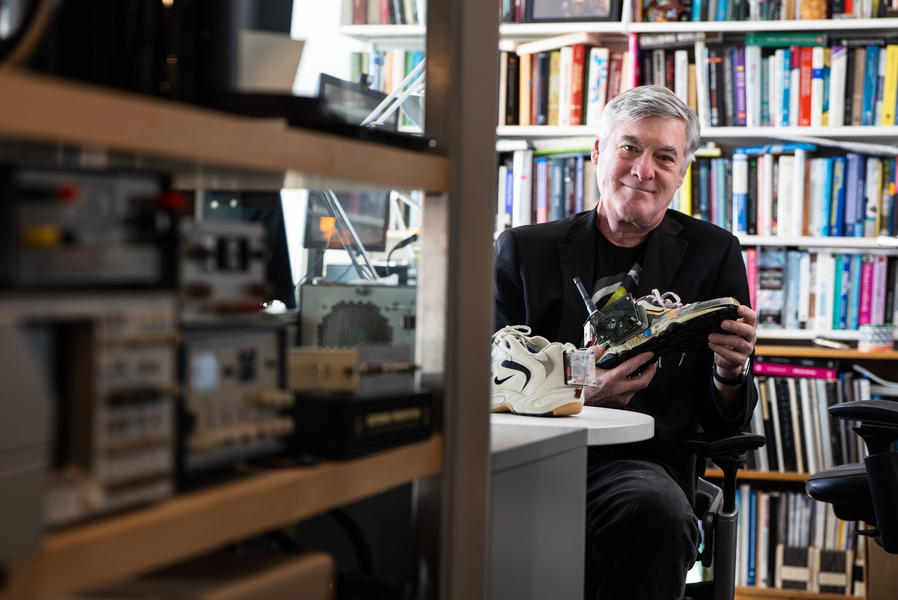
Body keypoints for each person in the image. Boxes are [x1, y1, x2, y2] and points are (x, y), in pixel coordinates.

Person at [493, 85, 759, 600]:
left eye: (665, 157)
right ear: (597, 152)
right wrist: (581, 393)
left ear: (681, 175)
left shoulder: (714, 252)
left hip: (640, 466)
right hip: (528, 458)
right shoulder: (525, 251)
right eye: (629, 148)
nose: (644, 169)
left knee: (656, 514)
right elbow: (485, 382)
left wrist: (731, 372)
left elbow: (728, 420)